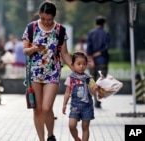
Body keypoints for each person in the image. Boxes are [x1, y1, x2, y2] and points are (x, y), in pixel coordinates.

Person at [22, 1, 73, 141]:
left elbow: (65, 54)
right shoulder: (31, 28)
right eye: (43, 18)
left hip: (52, 72)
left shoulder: (60, 30)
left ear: (54, 16)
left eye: (49, 19)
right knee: (37, 108)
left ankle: (50, 135)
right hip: (35, 73)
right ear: (39, 15)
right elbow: (25, 50)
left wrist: (74, 67)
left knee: (46, 107)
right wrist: (33, 49)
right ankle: (42, 139)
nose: (46, 22)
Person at [62, 52, 99, 141]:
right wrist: (64, 104)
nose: (81, 66)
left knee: (85, 127)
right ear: (73, 64)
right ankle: (76, 138)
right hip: (75, 106)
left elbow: (94, 93)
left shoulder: (89, 78)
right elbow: (67, 92)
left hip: (87, 106)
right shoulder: (70, 78)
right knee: (71, 125)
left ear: (86, 65)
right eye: (78, 64)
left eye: (84, 64)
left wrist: (95, 88)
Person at [86, 15, 110, 108]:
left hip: (92, 62)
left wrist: (91, 59)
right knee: (101, 82)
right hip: (103, 61)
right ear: (103, 24)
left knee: (92, 81)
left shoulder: (91, 33)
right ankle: (98, 101)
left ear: (96, 23)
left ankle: (92, 98)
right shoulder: (106, 34)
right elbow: (106, 48)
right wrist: (97, 54)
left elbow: (88, 48)